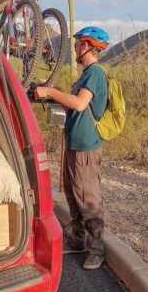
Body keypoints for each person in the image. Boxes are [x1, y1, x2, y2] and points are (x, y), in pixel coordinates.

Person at [35, 26, 109, 270]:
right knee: (74, 196)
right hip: (74, 144)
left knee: (88, 199)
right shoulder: (85, 75)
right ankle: (77, 240)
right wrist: (51, 92)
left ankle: (97, 251)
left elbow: (79, 104)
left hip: (86, 148)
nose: (76, 47)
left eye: (78, 43)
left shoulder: (95, 74)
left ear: (87, 46)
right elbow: (71, 103)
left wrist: (52, 91)